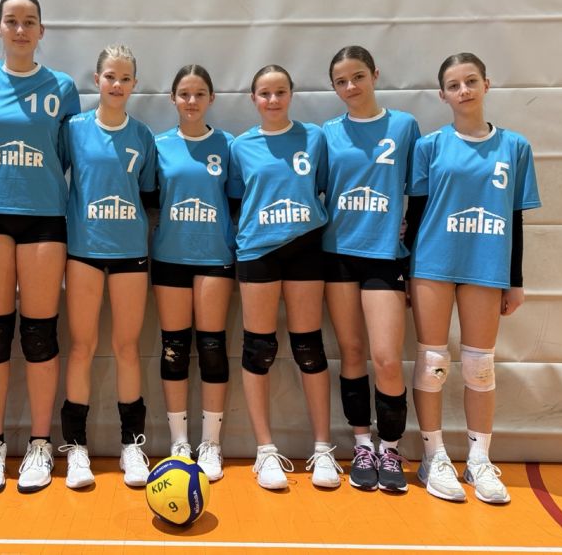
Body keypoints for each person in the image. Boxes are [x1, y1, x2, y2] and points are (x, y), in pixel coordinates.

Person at [0, 0, 81, 494]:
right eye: (12, 21)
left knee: (41, 334)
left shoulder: (61, 87)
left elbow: (67, 151)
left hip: (44, 216)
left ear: (42, 30)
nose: (21, 29)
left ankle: (41, 446)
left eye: (30, 21)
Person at [405, 52, 540, 504]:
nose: (463, 90)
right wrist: (406, 273)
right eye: (453, 84)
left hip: (487, 263)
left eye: (470, 81)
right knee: (433, 361)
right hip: (433, 262)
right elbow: (416, 213)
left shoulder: (515, 147)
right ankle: (434, 456)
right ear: (442, 95)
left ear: (486, 84)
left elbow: (516, 217)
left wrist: (514, 279)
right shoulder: (429, 146)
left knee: (480, 365)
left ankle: (479, 459)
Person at [228, 65, 341, 491]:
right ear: (253, 98)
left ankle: (323, 448)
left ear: (291, 94)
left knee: (308, 347)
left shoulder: (315, 137)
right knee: (259, 349)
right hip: (257, 250)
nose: (272, 100)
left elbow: (324, 187)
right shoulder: (241, 146)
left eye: (280, 92)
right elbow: (237, 198)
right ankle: (265, 450)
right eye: (264, 93)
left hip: (305, 246)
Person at [321, 46, 420, 492]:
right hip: (338, 252)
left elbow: (420, 190)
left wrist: (409, 231)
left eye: (358, 76)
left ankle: (391, 447)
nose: (350, 87)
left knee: (386, 358)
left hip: (385, 253)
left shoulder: (404, 126)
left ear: (375, 75)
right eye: (341, 81)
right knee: (352, 351)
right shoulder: (327, 133)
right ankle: (362, 443)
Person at [59, 45, 157, 489]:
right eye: (110, 76)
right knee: (81, 346)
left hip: (130, 251)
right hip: (84, 249)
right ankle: (76, 448)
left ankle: (132, 446)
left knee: (127, 347)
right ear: (96, 79)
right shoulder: (74, 129)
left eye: (125, 78)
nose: (117, 84)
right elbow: (51, 176)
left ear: (134, 84)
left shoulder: (142, 135)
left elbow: (149, 195)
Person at [150, 65, 235, 481]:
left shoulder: (228, 145)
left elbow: (239, 200)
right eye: (184, 93)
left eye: (200, 93)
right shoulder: (159, 145)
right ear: (173, 99)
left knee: (212, 347)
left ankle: (211, 443)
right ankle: (180, 441)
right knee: (174, 348)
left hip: (215, 255)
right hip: (170, 256)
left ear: (211, 98)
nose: (191, 101)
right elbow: (149, 198)